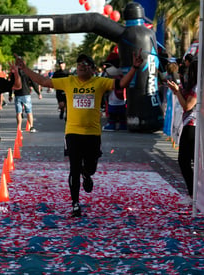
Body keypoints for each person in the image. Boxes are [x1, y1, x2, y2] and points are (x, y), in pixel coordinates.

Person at [15, 51, 143, 217]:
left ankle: (87, 174)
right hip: (73, 133)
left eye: (85, 64)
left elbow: (121, 84)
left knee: (91, 167)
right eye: (79, 64)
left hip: (93, 133)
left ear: (92, 69)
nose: (81, 66)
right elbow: (43, 81)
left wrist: (134, 67)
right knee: (73, 169)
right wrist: (24, 68)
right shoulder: (69, 81)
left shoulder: (99, 82)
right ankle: (75, 204)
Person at [167, 59, 198, 200]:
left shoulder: (198, 87)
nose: (185, 74)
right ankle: (193, 193)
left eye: (188, 71)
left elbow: (187, 106)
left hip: (193, 125)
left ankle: (194, 194)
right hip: (191, 125)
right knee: (188, 160)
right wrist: (177, 91)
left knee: (185, 160)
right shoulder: (195, 86)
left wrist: (178, 91)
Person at [102, 65, 127, 131]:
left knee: (112, 114)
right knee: (122, 114)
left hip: (113, 101)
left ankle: (112, 124)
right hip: (122, 100)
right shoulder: (123, 76)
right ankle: (123, 125)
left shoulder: (111, 79)